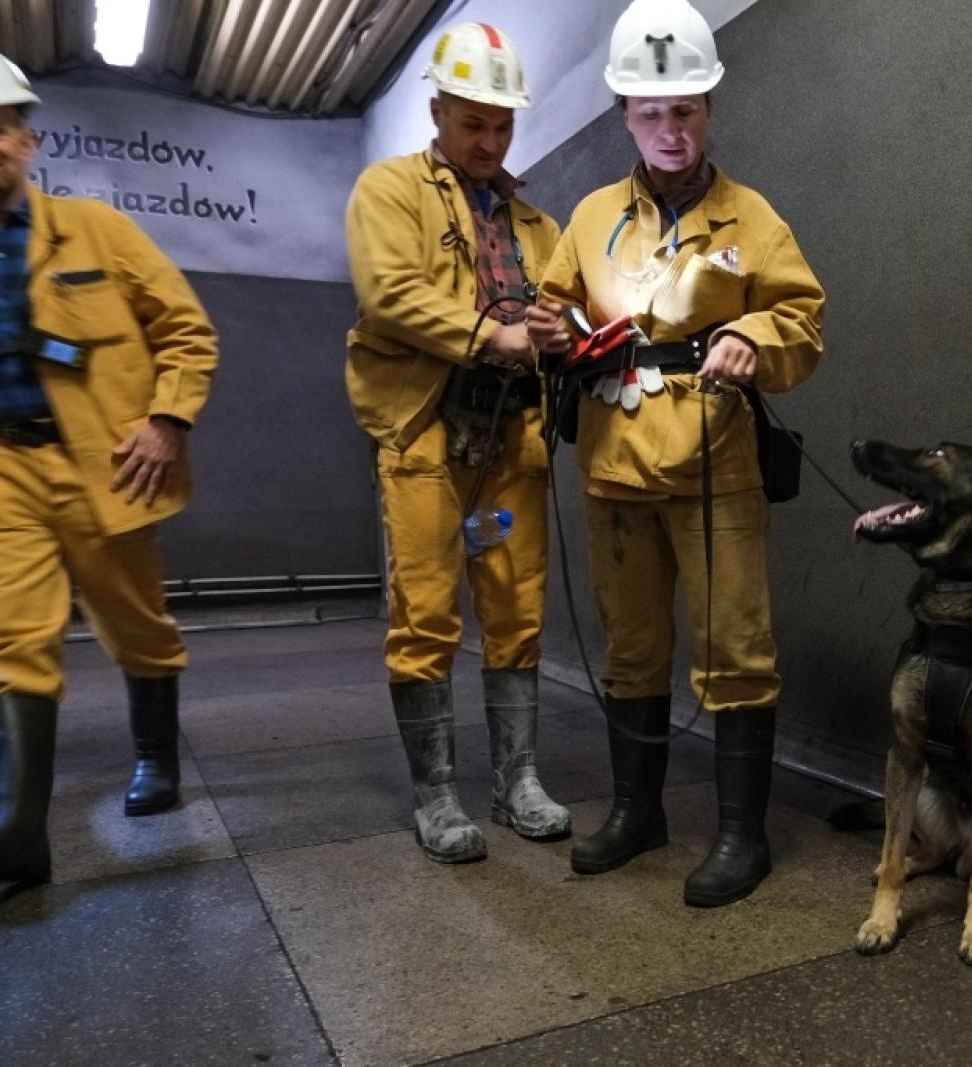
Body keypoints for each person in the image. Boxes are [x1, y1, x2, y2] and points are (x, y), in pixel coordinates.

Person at [0, 37, 220, 883]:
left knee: (136, 625)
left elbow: (186, 331)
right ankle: (18, 830)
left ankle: (158, 758)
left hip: (106, 467)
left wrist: (166, 421)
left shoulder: (98, 231)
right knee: (7, 638)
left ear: (27, 139)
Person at [528, 0, 825, 907]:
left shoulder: (750, 216)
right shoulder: (587, 217)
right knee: (632, 647)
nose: (669, 128)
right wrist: (546, 329)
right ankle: (637, 812)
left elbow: (801, 319)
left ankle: (741, 835)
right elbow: (553, 305)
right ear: (623, 112)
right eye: (651, 111)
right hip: (615, 464)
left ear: (708, 106)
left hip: (713, 465)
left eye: (685, 108)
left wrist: (755, 339)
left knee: (735, 647)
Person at [344, 22, 570, 863]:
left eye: (503, 125)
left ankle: (517, 782)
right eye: (473, 122)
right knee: (427, 614)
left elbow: (563, 310)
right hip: (426, 432)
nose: (489, 140)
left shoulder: (535, 221)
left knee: (517, 612)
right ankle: (437, 795)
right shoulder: (389, 191)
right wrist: (490, 334)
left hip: (513, 437)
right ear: (436, 110)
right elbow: (388, 291)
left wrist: (555, 329)